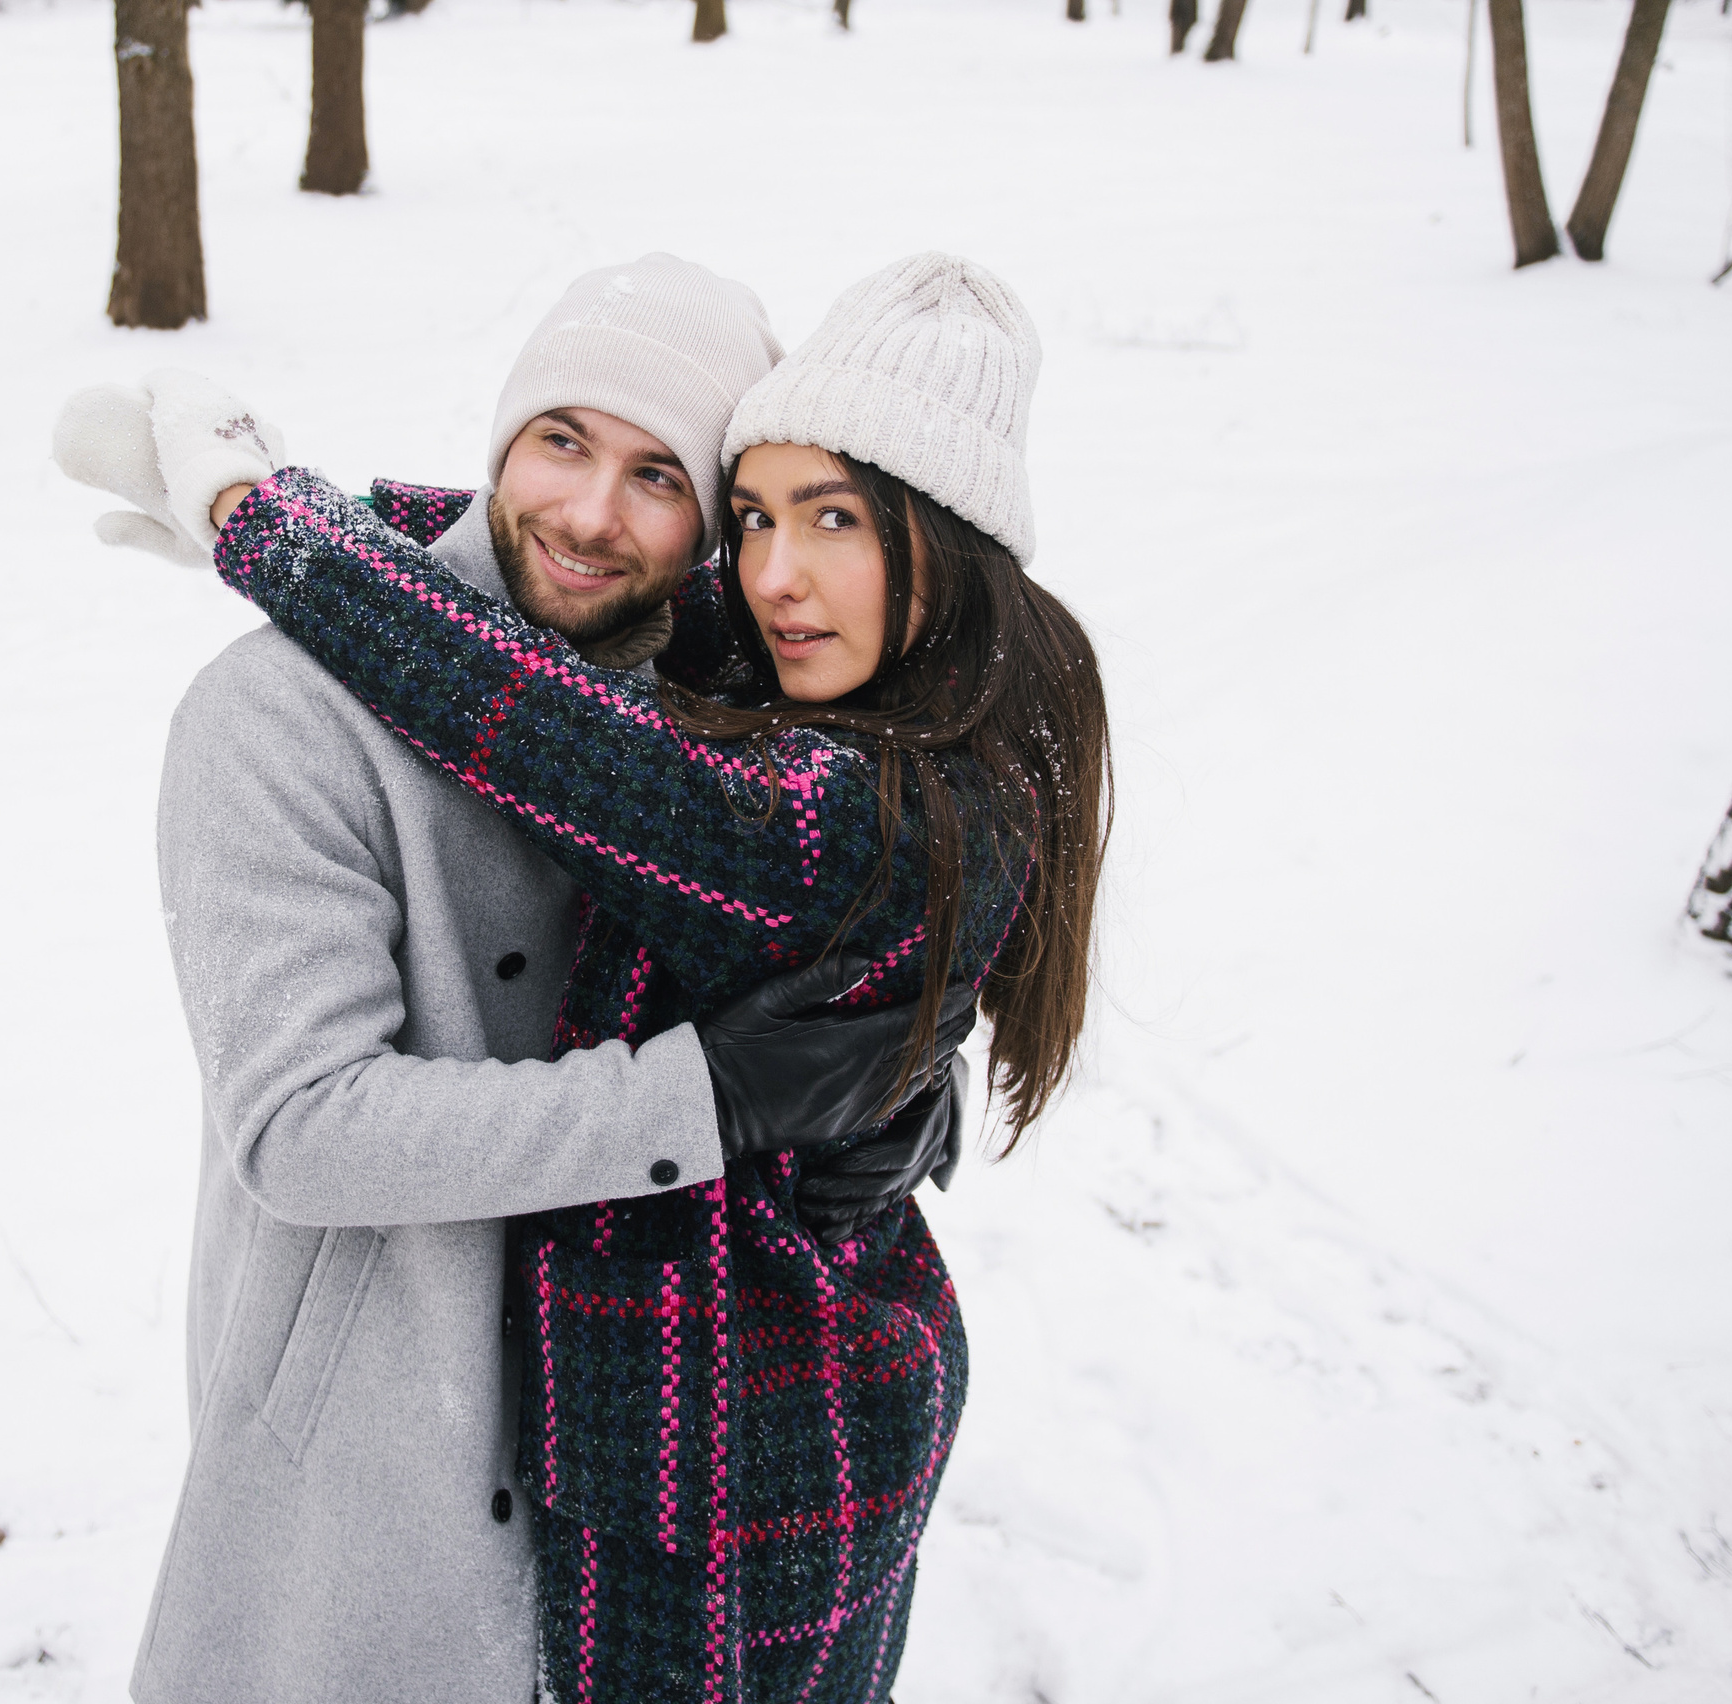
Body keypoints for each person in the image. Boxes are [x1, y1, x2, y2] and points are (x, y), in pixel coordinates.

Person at [154, 252, 1111, 1702]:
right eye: (559, 439)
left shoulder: (746, 730)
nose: (595, 514)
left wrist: (886, 1083)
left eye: (664, 475)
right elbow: (303, 1131)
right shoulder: (277, 720)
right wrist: (722, 1100)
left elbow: (573, 750)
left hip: (712, 1462)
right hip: (388, 1462)